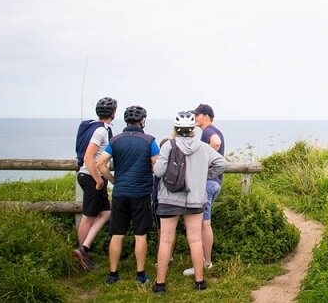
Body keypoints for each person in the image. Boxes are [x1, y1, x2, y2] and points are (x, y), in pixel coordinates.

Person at [152, 111, 226, 293]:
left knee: (166, 240)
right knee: (195, 239)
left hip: (169, 198)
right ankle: (200, 282)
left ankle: (160, 284)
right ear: (193, 129)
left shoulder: (168, 146)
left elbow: (158, 172)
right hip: (195, 199)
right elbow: (222, 164)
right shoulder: (203, 147)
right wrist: (205, 175)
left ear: (176, 129)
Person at [96, 105, 159, 285]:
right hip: (141, 193)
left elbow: (101, 164)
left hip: (120, 193)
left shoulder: (115, 140)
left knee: (117, 233)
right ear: (142, 121)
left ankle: (113, 275)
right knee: (141, 235)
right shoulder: (149, 141)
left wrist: (114, 180)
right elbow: (157, 165)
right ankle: (140, 275)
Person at [73, 96, 117, 271]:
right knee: (89, 216)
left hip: (90, 176)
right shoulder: (100, 131)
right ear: (113, 113)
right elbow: (88, 158)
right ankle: (82, 253)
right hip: (91, 177)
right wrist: (99, 180)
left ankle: (83, 248)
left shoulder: (93, 127)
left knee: (105, 213)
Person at [183, 103, 225, 277]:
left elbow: (216, 142)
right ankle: (205, 261)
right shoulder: (210, 130)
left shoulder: (208, 131)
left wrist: (203, 162)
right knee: (203, 223)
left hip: (207, 184)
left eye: (197, 115)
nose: (195, 118)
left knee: (203, 224)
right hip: (214, 183)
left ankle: (205, 262)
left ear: (206, 116)